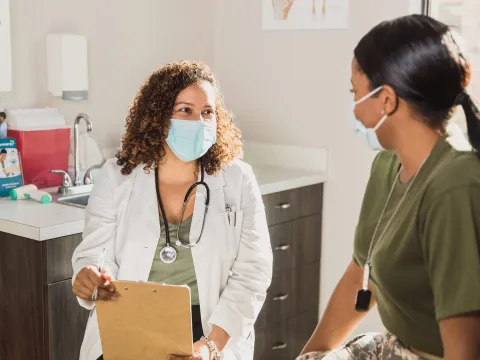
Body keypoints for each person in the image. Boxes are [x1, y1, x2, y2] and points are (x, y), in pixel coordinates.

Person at [299, 14, 480, 360]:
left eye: (355, 92)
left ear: (386, 100)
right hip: (396, 345)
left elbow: (464, 348)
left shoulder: (455, 186)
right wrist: (309, 355)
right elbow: (359, 275)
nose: (353, 109)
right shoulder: (387, 165)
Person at [71, 61, 273, 360]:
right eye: (185, 110)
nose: (199, 121)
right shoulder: (117, 177)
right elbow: (94, 254)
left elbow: (252, 274)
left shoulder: (237, 179)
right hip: (129, 321)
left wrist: (209, 347)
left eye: (207, 112)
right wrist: (91, 277)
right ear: (158, 117)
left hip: (210, 327)